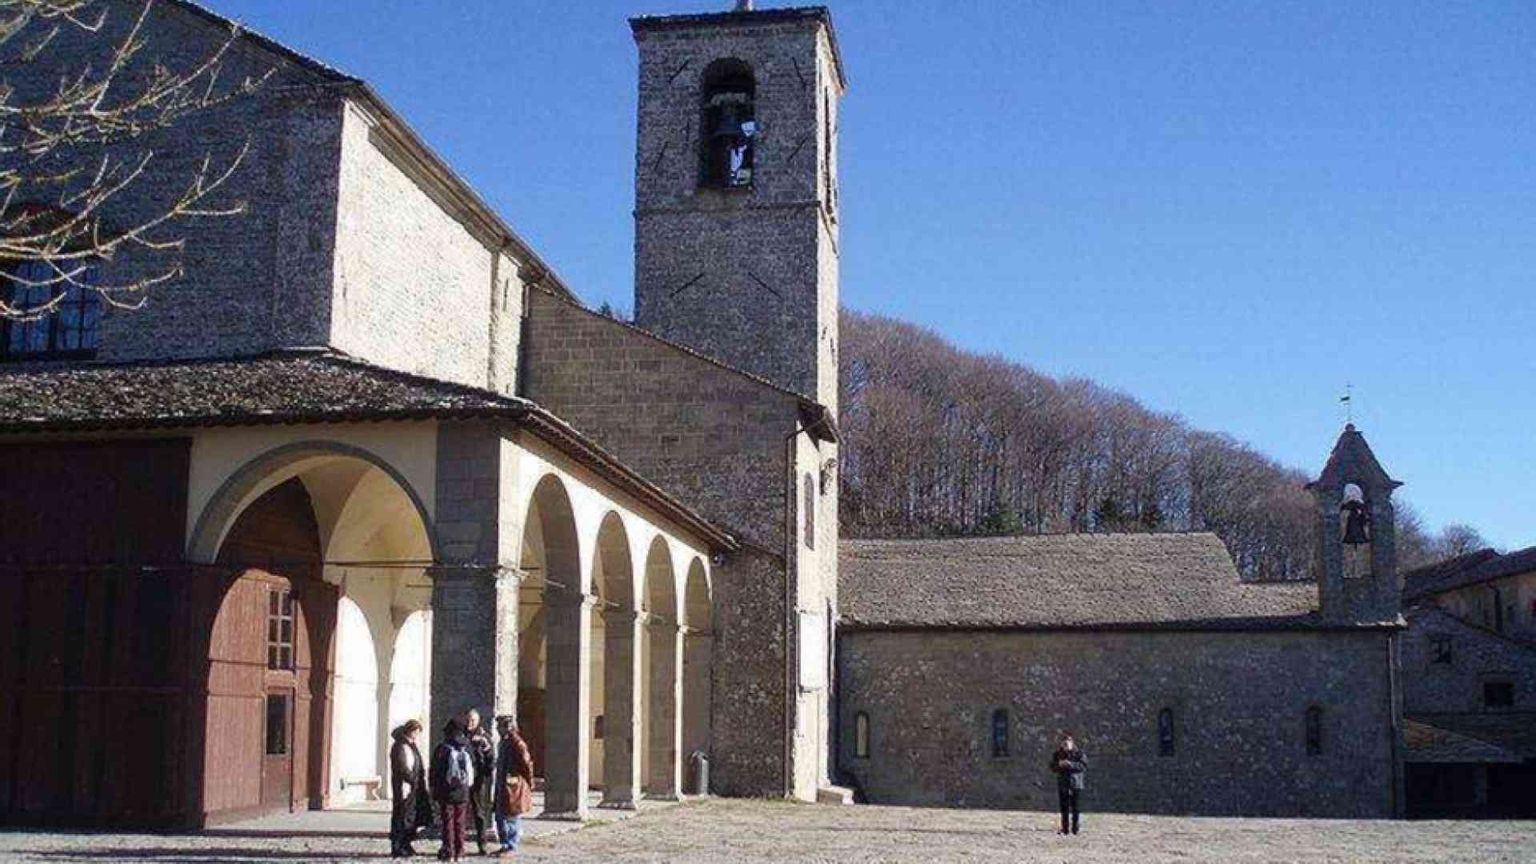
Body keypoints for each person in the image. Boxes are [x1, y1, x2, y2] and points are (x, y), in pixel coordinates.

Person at [430, 719, 475, 862]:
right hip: (463, 791)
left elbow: (435, 771)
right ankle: (460, 851)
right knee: (460, 822)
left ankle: (448, 850)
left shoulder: (442, 749)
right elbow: (474, 768)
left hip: (446, 791)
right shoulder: (467, 747)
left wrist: (434, 789)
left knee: (447, 821)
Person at [492, 715, 535, 858]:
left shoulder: (517, 743)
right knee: (500, 816)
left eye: (500, 726)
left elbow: (526, 764)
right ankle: (504, 844)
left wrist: (528, 782)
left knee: (511, 816)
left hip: (513, 786)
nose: (498, 729)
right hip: (502, 784)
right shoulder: (504, 743)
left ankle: (511, 845)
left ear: (508, 727)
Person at [389, 720, 429, 858]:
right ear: (409, 731)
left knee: (411, 817)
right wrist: (412, 779)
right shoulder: (400, 746)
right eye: (415, 732)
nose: (416, 735)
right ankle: (398, 845)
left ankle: (406, 843)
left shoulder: (411, 745)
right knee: (402, 817)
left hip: (414, 787)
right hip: (404, 788)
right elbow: (402, 767)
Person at [463, 709, 496, 856]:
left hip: (478, 780)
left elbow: (491, 759)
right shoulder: (460, 735)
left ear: (478, 721)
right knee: (460, 812)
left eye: (473, 720)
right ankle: (458, 844)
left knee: (479, 813)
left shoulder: (483, 736)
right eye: (468, 720)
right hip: (462, 780)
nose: (470, 723)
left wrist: (486, 774)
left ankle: (482, 843)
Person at [1050, 731, 1087, 836]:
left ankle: (1075, 828)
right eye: (1063, 744)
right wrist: (1059, 765)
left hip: (1076, 784)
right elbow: (1052, 767)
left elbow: (1083, 766)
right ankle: (1065, 828)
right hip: (1063, 784)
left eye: (1067, 743)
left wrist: (1070, 764)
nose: (1065, 746)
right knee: (1064, 808)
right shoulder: (1057, 754)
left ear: (1072, 743)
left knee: (1076, 808)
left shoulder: (1079, 753)